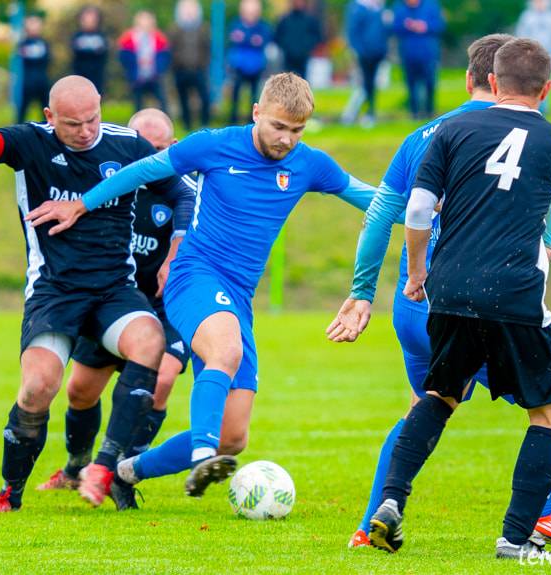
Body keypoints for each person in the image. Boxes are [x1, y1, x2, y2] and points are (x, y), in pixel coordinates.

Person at [23, 73, 402, 505]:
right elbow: (145, 169)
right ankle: (203, 455)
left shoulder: (308, 164)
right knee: (226, 352)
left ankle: (125, 471)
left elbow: (375, 200)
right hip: (195, 276)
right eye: (278, 127)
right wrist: (82, 202)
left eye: (297, 130)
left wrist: (437, 211)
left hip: (238, 297)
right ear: (257, 113)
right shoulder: (215, 144)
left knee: (234, 437)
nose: (286, 139)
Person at [332, 33, 551, 552]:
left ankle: (376, 517)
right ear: (546, 88)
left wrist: (368, 289)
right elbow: (544, 237)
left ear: (477, 80)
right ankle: (539, 518)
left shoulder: (432, 133)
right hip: (506, 296)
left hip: (427, 299)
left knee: (432, 398)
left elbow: (386, 215)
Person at [0, 76, 195, 513]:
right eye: (74, 124)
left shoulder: (127, 144)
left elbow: (181, 191)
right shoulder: (28, 142)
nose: (86, 131)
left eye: (93, 119)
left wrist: (175, 250)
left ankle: (106, 467)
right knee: (39, 388)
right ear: (50, 117)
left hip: (115, 289)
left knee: (150, 343)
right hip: (54, 292)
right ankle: (9, 495)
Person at [35, 108, 195, 501]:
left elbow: (194, 212)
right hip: (113, 299)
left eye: (157, 151)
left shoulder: (183, 190)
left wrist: (176, 253)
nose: (149, 162)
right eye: (142, 151)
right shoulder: (108, 183)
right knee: (80, 392)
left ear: (172, 149)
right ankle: (76, 466)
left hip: (164, 306)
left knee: (161, 381)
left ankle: (124, 469)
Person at [392, 0, 445, 120]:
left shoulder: (431, 6)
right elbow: (394, 28)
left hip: (428, 53)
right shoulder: (400, 8)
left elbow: (440, 25)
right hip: (408, 53)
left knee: (429, 83)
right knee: (411, 84)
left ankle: (429, 110)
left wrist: (425, 26)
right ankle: (414, 112)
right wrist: (407, 25)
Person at [343, 0, 389, 127]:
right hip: (362, 55)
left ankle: (368, 113)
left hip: (376, 54)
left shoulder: (379, 8)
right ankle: (351, 115)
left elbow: (384, 32)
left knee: (371, 86)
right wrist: (359, 51)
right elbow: (353, 31)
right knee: (362, 85)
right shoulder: (358, 8)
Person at [168, 0, 212, 130]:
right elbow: (171, 49)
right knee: (183, 99)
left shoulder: (203, 28)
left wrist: (204, 64)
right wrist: (175, 65)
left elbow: (207, 48)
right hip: (180, 70)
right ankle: (187, 125)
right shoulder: (174, 29)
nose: (189, 12)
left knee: (205, 97)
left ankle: (204, 123)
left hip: (199, 70)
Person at [227, 0, 273, 123]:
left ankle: (252, 120)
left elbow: (262, 41)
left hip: (256, 66)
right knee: (236, 93)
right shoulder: (236, 24)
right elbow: (234, 39)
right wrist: (251, 40)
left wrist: (245, 39)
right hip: (239, 65)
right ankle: (233, 118)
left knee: (254, 95)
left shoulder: (263, 26)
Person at [118, 11, 171, 114]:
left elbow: (165, 56)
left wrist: (159, 70)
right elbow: (123, 56)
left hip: (154, 76)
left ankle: (165, 121)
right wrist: (131, 70)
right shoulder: (128, 38)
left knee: (162, 101)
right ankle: (136, 125)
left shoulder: (159, 38)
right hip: (137, 76)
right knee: (138, 103)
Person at [516, 0, 551, 114]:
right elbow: (520, 36)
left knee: (544, 81)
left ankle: (543, 108)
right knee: (529, 82)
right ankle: (529, 106)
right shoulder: (526, 17)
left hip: (546, 56)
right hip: (529, 56)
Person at [274, 0, 323, 79]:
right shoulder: (285, 20)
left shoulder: (311, 21)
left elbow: (317, 37)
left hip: (304, 58)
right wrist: (287, 47)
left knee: (303, 82)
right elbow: (277, 37)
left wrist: (307, 48)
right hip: (288, 58)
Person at [16, 15, 51, 123]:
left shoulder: (44, 43)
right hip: (27, 82)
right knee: (23, 109)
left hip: (42, 80)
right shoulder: (22, 44)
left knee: (45, 108)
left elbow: (48, 60)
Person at [71, 5, 109, 96]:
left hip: (97, 75)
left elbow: (103, 53)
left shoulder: (101, 36)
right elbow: (76, 52)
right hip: (80, 74)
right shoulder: (77, 36)